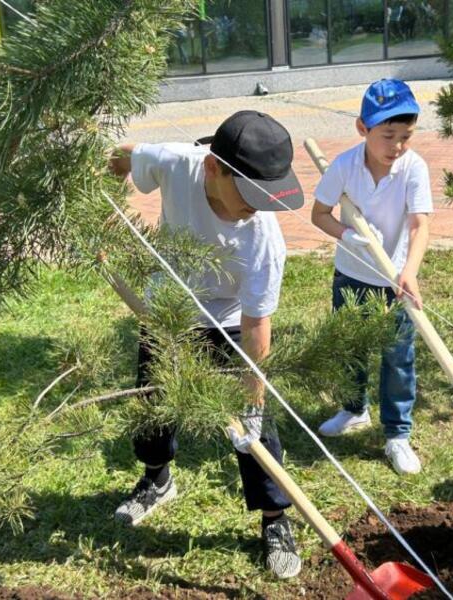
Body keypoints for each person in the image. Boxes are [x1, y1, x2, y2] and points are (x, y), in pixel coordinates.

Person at [107, 111, 306, 578]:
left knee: (258, 432)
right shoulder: (178, 163)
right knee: (153, 403)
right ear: (213, 168)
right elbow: (128, 157)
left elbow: (258, 323)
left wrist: (251, 399)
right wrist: (96, 172)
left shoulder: (263, 241)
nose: (258, 207)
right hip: (167, 308)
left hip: (231, 319)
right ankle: (157, 479)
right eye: (251, 193)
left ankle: (274, 518)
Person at [310, 79, 433, 476]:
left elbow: (419, 226)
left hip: (394, 279)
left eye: (405, 136)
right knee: (350, 347)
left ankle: (397, 434)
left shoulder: (414, 168)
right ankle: (353, 408)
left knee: (398, 358)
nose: (396, 145)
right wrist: (348, 234)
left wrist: (409, 272)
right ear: (362, 129)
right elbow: (320, 214)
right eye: (387, 135)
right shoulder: (344, 167)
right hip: (351, 275)